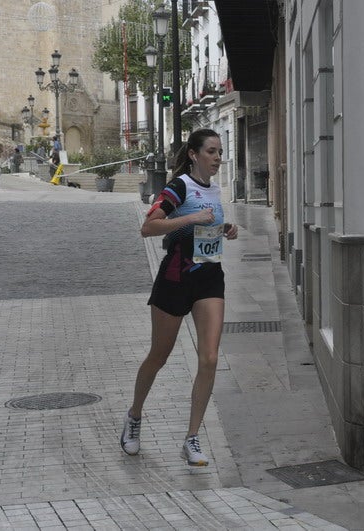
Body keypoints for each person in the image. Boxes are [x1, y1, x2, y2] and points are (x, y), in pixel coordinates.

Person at [120, 128, 238, 465]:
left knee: (210, 358)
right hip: (175, 277)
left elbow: (206, 228)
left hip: (209, 277)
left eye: (220, 152)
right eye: (212, 151)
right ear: (193, 154)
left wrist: (226, 229)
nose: (217, 158)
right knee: (159, 355)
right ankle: (134, 416)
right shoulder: (179, 187)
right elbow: (148, 227)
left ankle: (192, 438)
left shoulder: (215, 189)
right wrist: (191, 217)